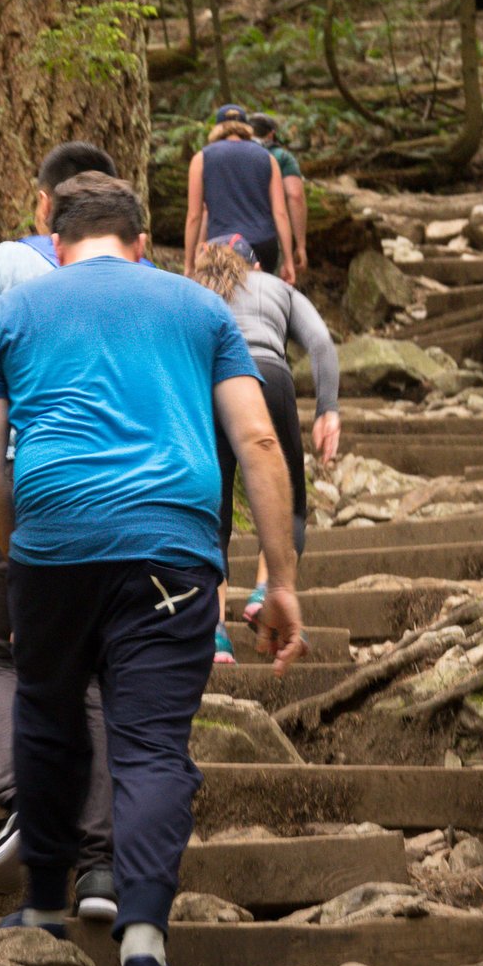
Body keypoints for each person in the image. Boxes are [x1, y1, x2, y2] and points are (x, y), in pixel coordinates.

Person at [0, 173, 304, 966]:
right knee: (151, 748)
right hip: (171, 553)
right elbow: (258, 438)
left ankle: (44, 905)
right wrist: (281, 578)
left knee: (46, 715)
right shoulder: (199, 310)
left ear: (56, 240)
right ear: (143, 243)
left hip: (51, 543)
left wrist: (21, 542)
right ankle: (145, 947)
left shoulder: (11, 312)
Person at [0, 141, 119, 918]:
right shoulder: (140, 280)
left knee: (3, 659)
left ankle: (22, 805)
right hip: (119, 497)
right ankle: (105, 866)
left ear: (41, 205)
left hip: (20, 484)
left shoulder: (2, 268)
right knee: (98, 677)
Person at [193, 235, 340, 663]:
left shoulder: (193, 290)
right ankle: (264, 587)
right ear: (256, 268)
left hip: (212, 385)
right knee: (289, 499)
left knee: (212, 512)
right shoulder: (278, 289)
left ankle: (215, 632)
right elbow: (322, 345)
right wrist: (328, 409)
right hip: (270, 378)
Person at [184, 105, 295, 282]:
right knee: (261, 299)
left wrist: (189, 263)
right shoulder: (268, 158)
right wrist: (288, 260)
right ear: (246, 128)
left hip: (221, 248)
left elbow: (194, 216)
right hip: (263, 245)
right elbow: (280, 213)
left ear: (218, 128)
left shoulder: (201, 159)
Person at [248, 111, 308, 274]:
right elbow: (295, 196)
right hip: (268, 236)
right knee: (270, 291)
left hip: (229, 236)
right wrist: (300, 245)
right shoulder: (281, 157)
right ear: (272, 134)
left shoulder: (228, 154)